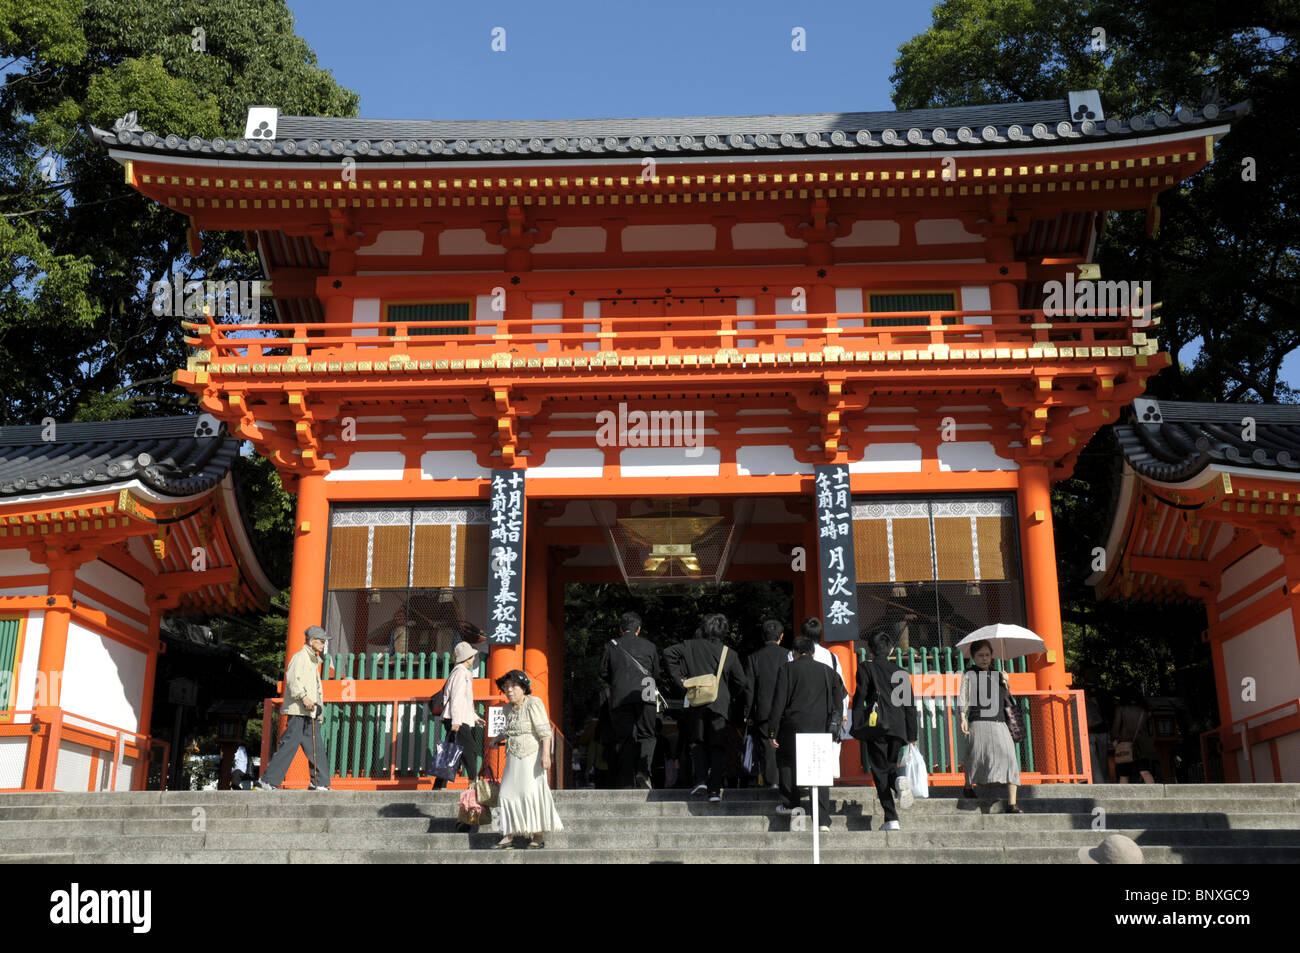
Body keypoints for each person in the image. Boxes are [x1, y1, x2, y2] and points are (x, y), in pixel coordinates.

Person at [663, 613, 751, 801]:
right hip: (719, 704)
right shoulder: (729, 653)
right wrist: (730, 695)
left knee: (697, 742)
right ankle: (715, 790)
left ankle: (701, 779)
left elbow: (668, 652)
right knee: (718, 746)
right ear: (724, 632)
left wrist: (681, 680)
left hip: (696, 701)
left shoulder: (691, 646)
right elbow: (742, 682)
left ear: (704, 628)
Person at [769, 636, 846, 830]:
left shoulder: (787, 669)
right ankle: (822, 821)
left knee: (788, 764)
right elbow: (841, 696)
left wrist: (772, 731)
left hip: (792, 726)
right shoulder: (828, 671)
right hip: (820, 728)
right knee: (819, 772)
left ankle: (797, 816)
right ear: (813, 652)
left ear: (794, 652)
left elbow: (779, 702)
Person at [854, 629, 918, 831]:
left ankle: (891, 818)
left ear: (870, 650)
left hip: (877, 725)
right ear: (891, 649)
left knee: (880, 772)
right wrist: (912, 734)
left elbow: (860, 696)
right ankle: (897, 780)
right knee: (889, 766)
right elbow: (909, 705)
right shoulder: (901, 672)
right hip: (899, 728)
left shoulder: (866, 668)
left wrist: (856, 724)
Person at [492, 670, 562, 848]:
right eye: (506, 687)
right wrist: (497, 738)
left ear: (523, 688)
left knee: (531, 792)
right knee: (505, 793)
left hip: (532, 755)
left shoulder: (533, 703)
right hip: (513, 756)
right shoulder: (507, 708)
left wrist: (546, 755)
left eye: (513, 686)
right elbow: (510, 729)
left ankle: (538, 835)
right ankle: (507, 834)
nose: (509, 690)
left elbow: (545, 732)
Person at [258, 626, 332, 791]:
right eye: (321, 641)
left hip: (309, 712)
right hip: (299, 710)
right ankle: (268, 780)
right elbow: (292, 681)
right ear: (311, 641)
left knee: (316, 747)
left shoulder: (311, 659)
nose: (323, 644)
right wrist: (304, 697)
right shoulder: (300, 658)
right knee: (289, 745)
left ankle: (319, 782)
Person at [599, 611, 662, 789]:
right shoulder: (650, 646)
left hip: (621, 697)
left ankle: (627, 782)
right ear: (639, 629)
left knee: (626, 738)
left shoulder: (611, 646)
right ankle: (643, 771)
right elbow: (656, 673)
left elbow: (603, 672)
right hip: (647, 695)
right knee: (647, 735)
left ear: (621, 629)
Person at [959, 639, 1020, 812]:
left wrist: (1007, 682)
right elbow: (964, 696)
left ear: (992, 655)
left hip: (999, 721)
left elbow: (1008, 700)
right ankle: (968, 785)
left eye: (987, 655)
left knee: (1010, 758)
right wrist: (963, 717)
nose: (984, 658)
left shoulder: (999, 674)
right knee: (975, 755)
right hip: (978, 720)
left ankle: (1012, 803)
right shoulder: (969, 674)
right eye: (980, 655)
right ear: (973, 657)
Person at [432, 640, 486, 789]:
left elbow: (464, 701)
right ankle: (473, 782)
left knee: (450, 753)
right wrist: (457, 720)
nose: (473, 658)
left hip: (456, 718)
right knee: (470, 750)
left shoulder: (459, 672)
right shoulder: (461, 673)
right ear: (466, 658)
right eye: (471, 656)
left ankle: (439, 786)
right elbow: (457, 698)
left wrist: (475, 717)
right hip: (457, 719)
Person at [788, 617, 850, 738]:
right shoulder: (831, 656)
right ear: (820, 634)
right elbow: (840, 687)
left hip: (799, 713)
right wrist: (843, 713)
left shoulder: (793, 654)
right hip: (826, 713)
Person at [744, 619, 787, 787]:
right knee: (786, 744)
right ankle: (786, 780)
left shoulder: (754, 658)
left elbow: (750, 688)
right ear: (781, 636)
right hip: (785, 709)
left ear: (763, 636)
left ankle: (772, 783)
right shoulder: (788, 655)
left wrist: (747, 712)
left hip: (764, 710)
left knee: (767, 746)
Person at [1112, 692, 1157, 784]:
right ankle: (1154, 794)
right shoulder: (1144, 709)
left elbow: (1117, 725)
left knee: (1124, 775)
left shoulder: (1121, 708)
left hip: (1125, 743)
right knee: (1145, 771)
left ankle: (1124, 796)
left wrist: (1114, 738)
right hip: (1142, 744)